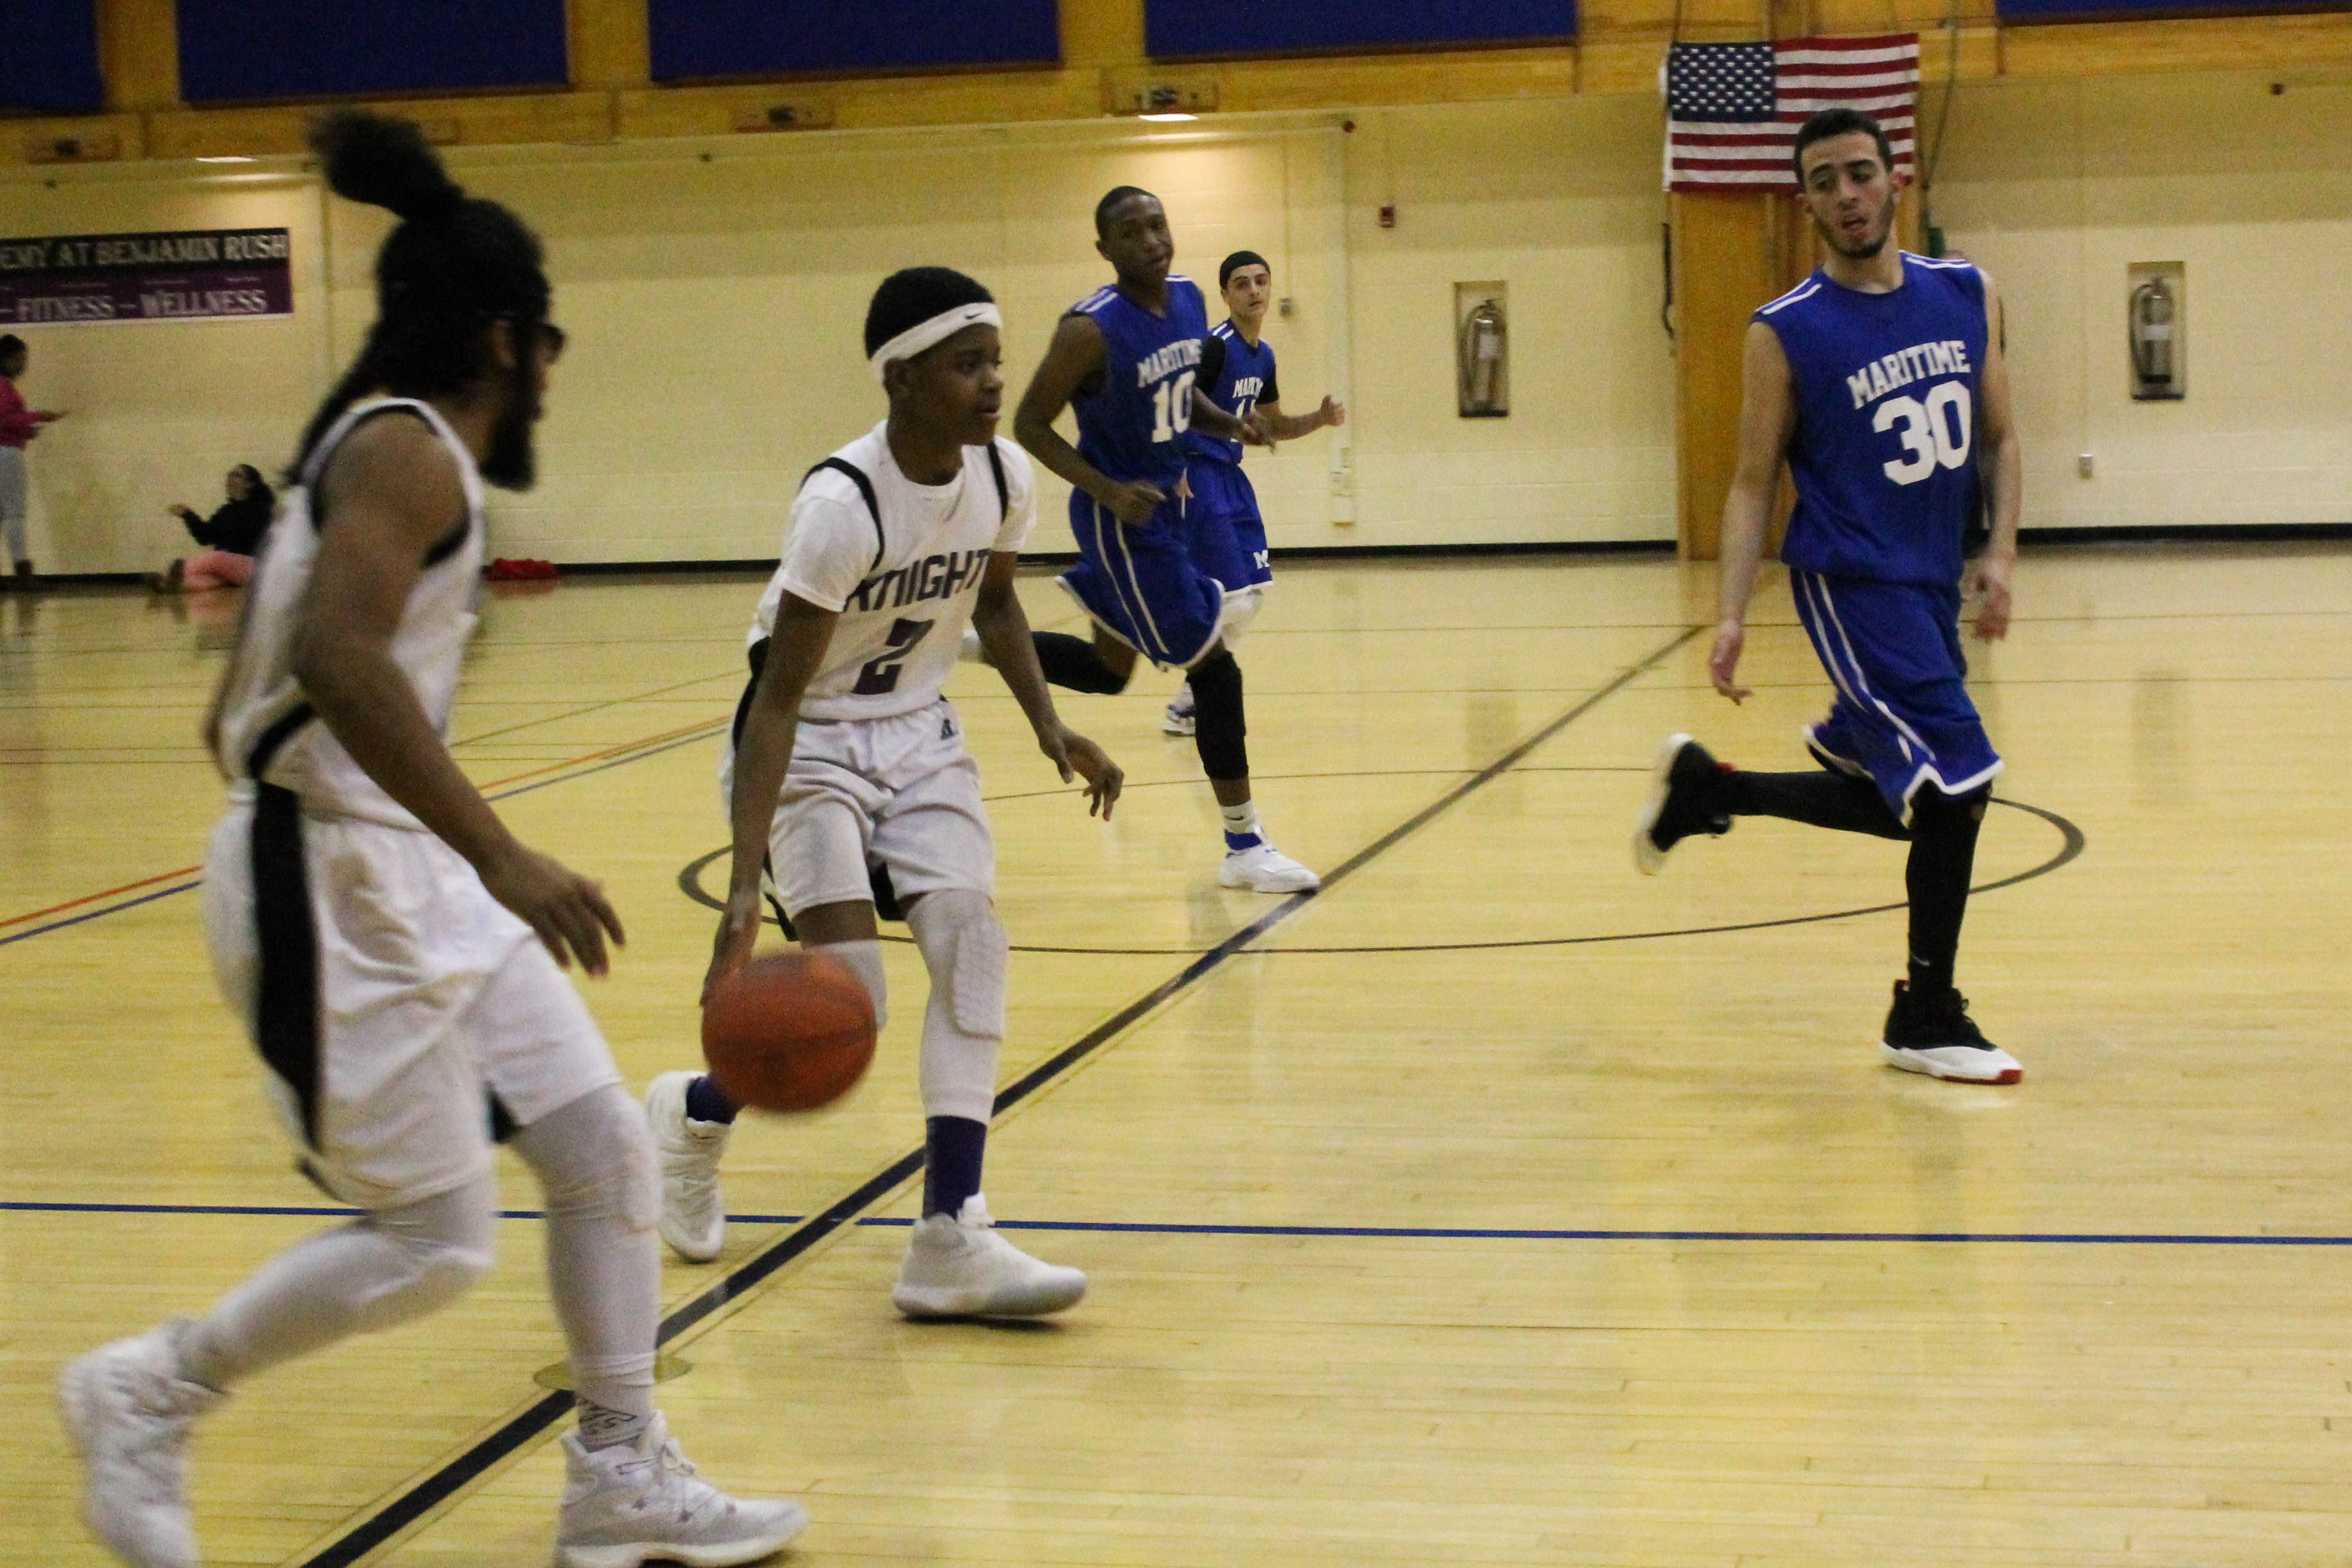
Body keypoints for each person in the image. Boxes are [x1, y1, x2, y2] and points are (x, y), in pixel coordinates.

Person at [55, 111, 805, 1568]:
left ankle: (617, 1468)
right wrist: (500, 855)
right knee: (436, 1241)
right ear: (507, 339)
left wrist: (419, 835)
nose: (551, 377)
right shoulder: (411, 452)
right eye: (550, 345)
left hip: (386, 860)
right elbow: (335, 659)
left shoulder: (371, 447)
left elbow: (238, 705)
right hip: (327, 881)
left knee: (600, 1144)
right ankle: (150, 1390)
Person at [645, 267, 1122, 1323]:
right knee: (847, 998)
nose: (991, 383)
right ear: (901, 378)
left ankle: (950, 1233)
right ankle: (692, 1112)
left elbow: (994, 607)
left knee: (974, 944)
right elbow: (776, 699)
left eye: (994, 360)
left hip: (916, 729)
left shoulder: (1001, 474)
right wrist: (741, 890)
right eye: (965, 364)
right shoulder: (840, 505)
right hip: (811, 741)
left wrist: (1050, 728)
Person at [1633, 107, 2025, 1087]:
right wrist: (1729, 614)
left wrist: (2001, 553)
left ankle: (1714, 790)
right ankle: (1923, 1012)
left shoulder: (1965, 292)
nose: (1845, 195)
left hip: (1927, 581)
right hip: (1850, 580)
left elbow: (2001, 438)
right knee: (1958, 783)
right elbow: (1749, 483)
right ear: (1804, 202)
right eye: (1822, 182)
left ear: (1894, 180)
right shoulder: (1786, 330)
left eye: (1858, 173)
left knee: (1908, 803)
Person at [1007, 187, 1317, 894]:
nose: (1150, 240)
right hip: (1123, 521)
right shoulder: (1087, 331)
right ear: (1104, 249)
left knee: (1108, 670)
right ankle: (1244, 846)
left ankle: (970, 643)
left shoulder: (1185, 300)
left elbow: (1180, 397)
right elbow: (1028, 424)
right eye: (1130, 232)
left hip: (1164, 511)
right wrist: (1108, 490)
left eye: (1157, 225)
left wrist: (1229, 424)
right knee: (1216, 673)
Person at [1158, 249, 1345, 737]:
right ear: (1226, 295)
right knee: (1234, 599)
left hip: (1230, 475)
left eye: (1261, 280)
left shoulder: (1264, 357)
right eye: (1242, 283)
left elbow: (1272, 425)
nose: (1255, 290)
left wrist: (1320, 419)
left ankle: (1187, 697)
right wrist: (1170, 469)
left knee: (1254, 596)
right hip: (1197, 472)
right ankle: (1187, 691)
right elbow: (1176, 404)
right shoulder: (1215, 347)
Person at [0, 333, 68, 589]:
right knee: (14, 513)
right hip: (6, 453)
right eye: (20, 359)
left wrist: (28, 430)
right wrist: (37, 417)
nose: (23, 364)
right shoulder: (3, 387)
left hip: (6, 448)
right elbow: (5, 419)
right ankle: (23, 573)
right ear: (7, 358)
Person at [155, 464, 275, 591]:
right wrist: (187, 515)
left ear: (250, 484)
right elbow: (205, 537)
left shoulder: (261, 510)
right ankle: (169, 586)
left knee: (215, 558)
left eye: (237, 475)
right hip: (230, 569)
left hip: (255, 567)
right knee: (207, 578)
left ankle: (173, 575)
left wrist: (228, 547)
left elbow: (255, 542)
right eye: (230, 475)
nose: (230, 478)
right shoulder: (226, 511)